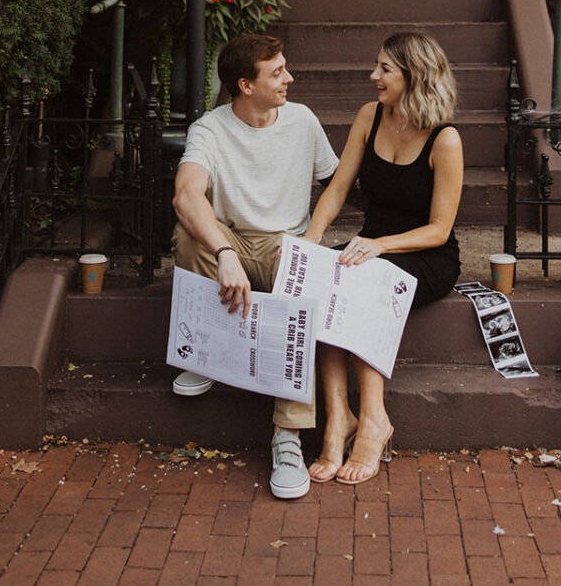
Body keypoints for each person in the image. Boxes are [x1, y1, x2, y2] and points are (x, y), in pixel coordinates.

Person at [171, 33, 338, 500]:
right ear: (245, 85)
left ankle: (288, 438)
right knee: (190, 234)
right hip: (234, 239)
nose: (290, 78)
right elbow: (186, 194)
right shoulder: (211, 128)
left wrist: (314, 239)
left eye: (285, 67)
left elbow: (338, 182)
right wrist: (225, 253)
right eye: (278, 72)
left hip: (287, 243)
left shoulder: (302, 120)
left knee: (301, 283)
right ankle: (206, 349)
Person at [303, 31, 463, 485]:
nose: (374, 76)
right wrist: (314, 241)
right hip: (369, 249)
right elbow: (336, 188)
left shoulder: (445, 139)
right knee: (323, 279)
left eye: (384, 69)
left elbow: (440, 229)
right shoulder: (369, 116)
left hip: (425, 255)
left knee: (361, 284)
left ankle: (374, 421)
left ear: (413, 76)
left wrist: (381, 246)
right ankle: (339, 419)